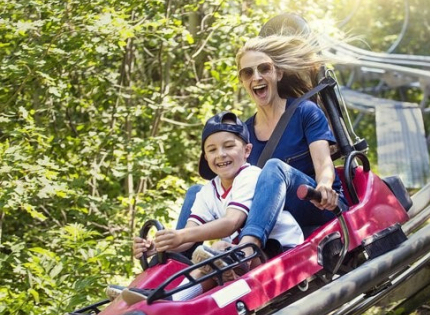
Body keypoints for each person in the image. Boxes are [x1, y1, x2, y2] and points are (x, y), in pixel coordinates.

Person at [177, 33, 347, 265]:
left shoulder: (305, 112)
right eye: (248, 72)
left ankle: (247, 251)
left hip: (318, 204)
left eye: (264, 69)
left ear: (278, 73)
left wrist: (325, 186)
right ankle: (171, 264)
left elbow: (324, 164)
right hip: (272, 218)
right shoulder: (243, 133)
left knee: (274, 167)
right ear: (242, 80)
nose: (256, 77)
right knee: (197, 191)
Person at [117, 111, 303, 304]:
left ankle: (171, 298)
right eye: (212, 150)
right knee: (215, 259)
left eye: (229, 146)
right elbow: (189, 234)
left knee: (218, 250)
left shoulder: (250, 175)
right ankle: (168, 296)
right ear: (205, 157)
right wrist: (156, 247)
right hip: (240, 254)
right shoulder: (208, 191)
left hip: (279, 251)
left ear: (247, 151)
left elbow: (232, 222)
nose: (221, 154)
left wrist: (181, 236)